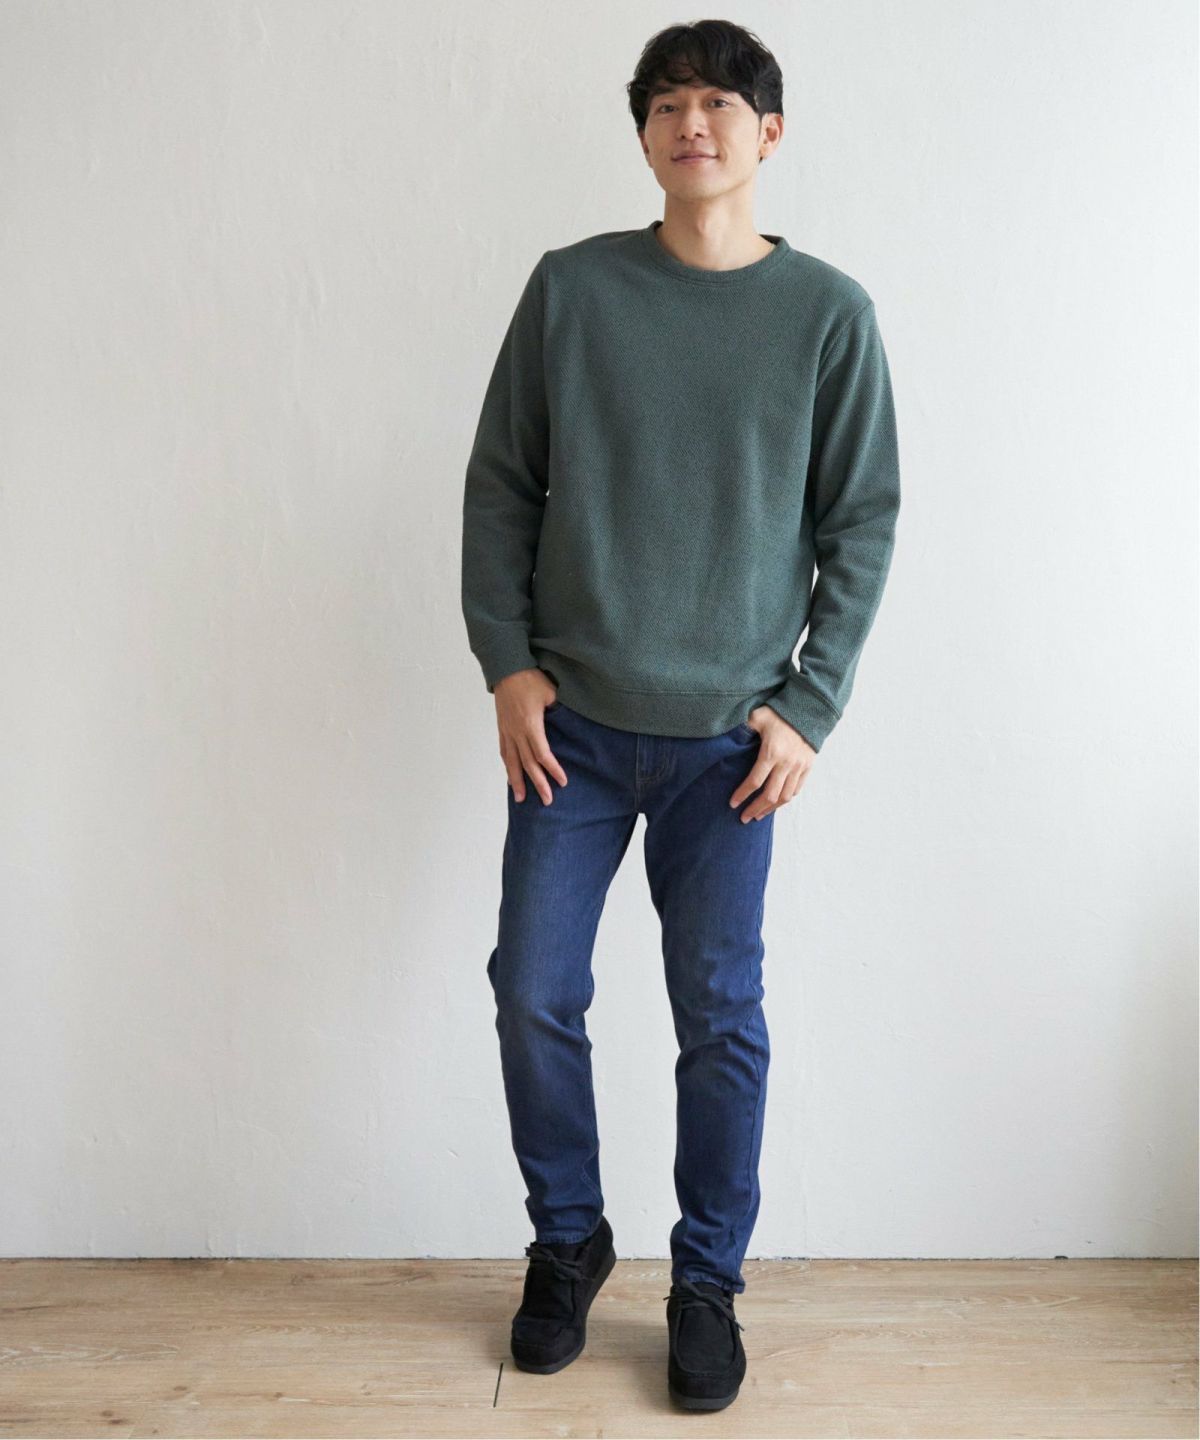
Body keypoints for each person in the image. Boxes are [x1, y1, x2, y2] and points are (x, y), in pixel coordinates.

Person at [460, 17, 901, 1413]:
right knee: (532, 990)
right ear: (644, 133)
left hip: (729, 749)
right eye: (664, 104)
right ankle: (568, 1241)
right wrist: (508, 663)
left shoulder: (828, 315)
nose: (690, 123)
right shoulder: (573, 289)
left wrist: (808, 708)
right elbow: (502, 483)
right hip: (572, 732)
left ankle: (706, 1281)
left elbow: (862, 523)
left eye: (717, 102)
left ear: (769, 132)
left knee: (719, 1018)